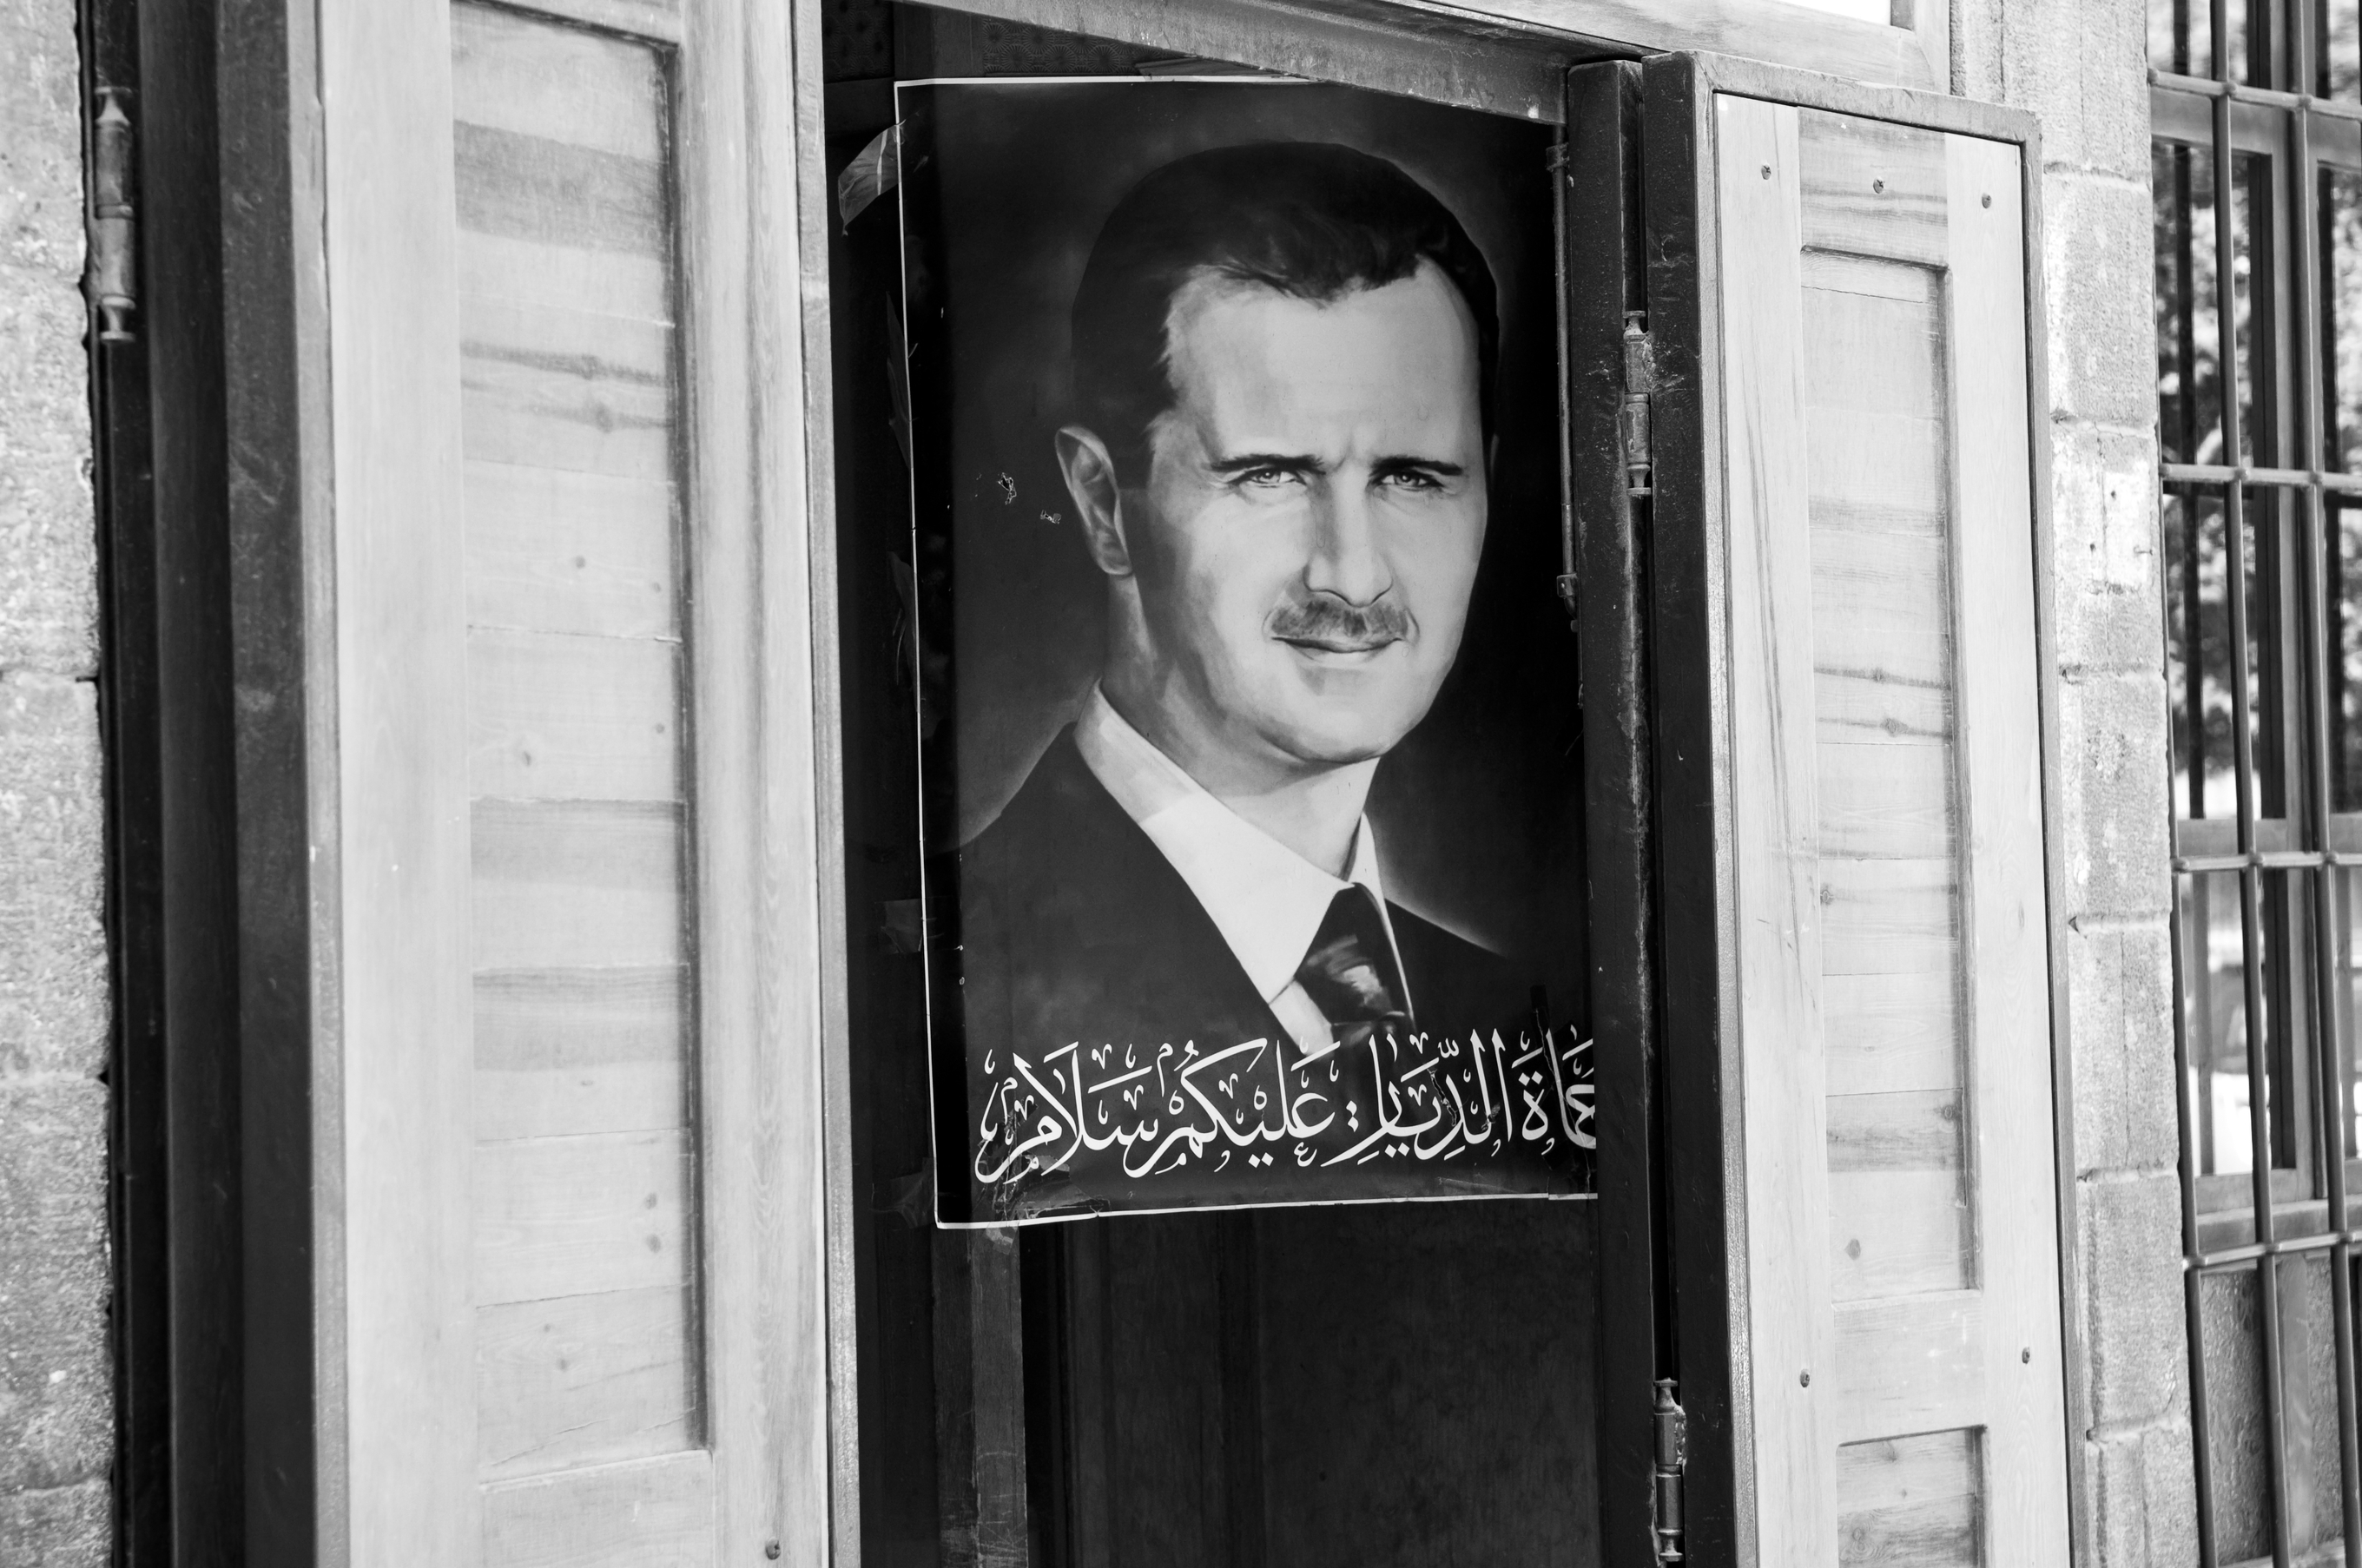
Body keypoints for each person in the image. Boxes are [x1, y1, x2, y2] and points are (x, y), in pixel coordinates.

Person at [954, 140, 1539, 1210]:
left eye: (1412, 477)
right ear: (1101, 502)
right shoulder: (949, 984)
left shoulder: (1518, 1029)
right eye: (1270, 476)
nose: (1352, 575)